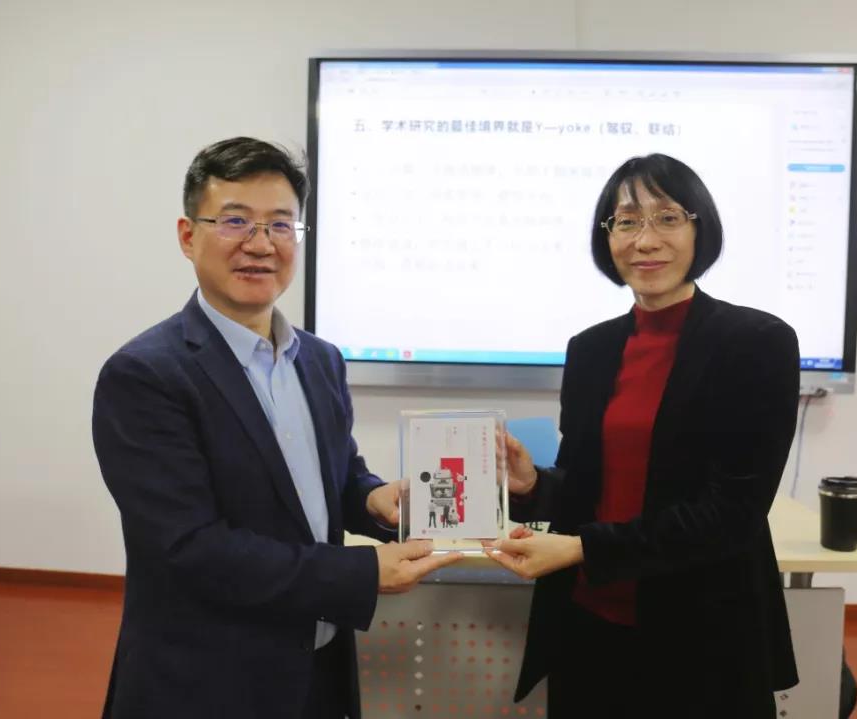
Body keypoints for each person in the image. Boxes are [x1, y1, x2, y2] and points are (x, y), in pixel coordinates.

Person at [92, 137, 459, 719]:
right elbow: (190, 548)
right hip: (206, 681)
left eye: (281, 225)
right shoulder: (145, 375)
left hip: (317, 667)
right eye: (235, 221)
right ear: (188, 236)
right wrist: (360, 573)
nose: (261, 244)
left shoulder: (320, 359)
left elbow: (336, 476)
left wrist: (374, 500)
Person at [485, 153, 800, 717]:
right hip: (589, 623)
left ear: (700, 229)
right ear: (607, 237)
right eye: (627, 221)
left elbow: (733, 513)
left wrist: (583, 549)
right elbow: (590, 489)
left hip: (702, 632)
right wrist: (534, 484)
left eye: (668, 218)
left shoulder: (756, 342)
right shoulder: (591, 349)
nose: (646, 240)